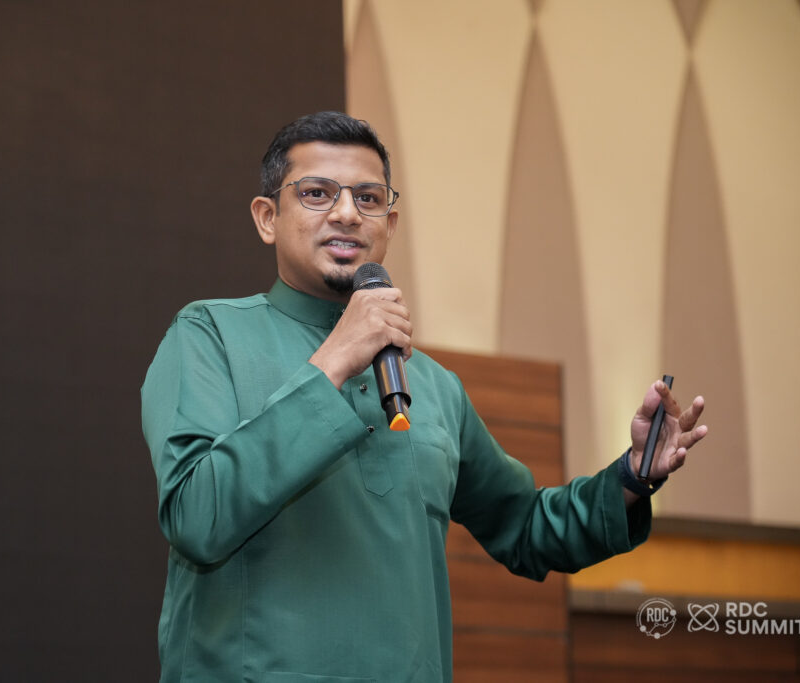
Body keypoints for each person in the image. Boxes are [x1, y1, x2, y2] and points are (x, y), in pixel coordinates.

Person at [141, 111, 708, 682]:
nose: (346, 213)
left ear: (390, 224)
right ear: (268, 218)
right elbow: (196, 516)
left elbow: (526, 525)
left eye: (368, 198)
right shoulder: (209, 335)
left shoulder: (434, 386)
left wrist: (632, 477)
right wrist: (334, 360)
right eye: (316, 193)